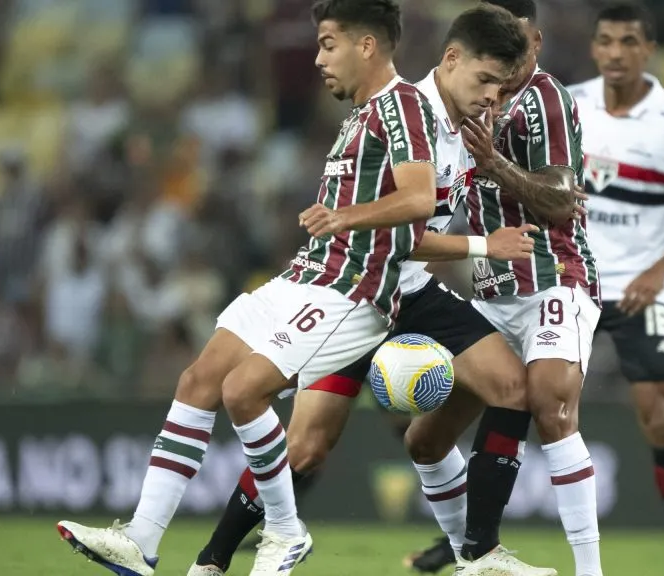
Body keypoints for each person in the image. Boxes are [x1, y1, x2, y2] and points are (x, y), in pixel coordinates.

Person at [56, 1, 443, 574]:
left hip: (351, 291)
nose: (317, 59)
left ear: (367, 45)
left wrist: (347, 217)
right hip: (305, 276)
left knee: (243, 391)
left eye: (328, 44)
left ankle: (285, 531)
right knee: (198, 380)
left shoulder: (404, 104)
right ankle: (141, 539)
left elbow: (421, 198)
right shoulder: (358, 116)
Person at [185, 5, 557, 576]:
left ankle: (480, 554)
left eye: (501, 87)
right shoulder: (413, 114)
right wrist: (488, 247)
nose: (492, 96)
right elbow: (402, 237)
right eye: (486, 81)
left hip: (416, 293)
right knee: (305, 447)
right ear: (451, 59)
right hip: (363, 292)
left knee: (511, 385)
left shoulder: (465, 130)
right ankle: (213, 558)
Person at [406, 1, 604, 574]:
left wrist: (494, 164)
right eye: (495, 52)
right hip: (492, 291)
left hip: (553, 276)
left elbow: (564, 200)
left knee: (550, 405)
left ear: (535, 43)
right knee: (425, 440)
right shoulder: (461, 104)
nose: (507, 61)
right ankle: (474, 555)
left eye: (516, 47)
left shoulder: (545, 98)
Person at [570, 3, 664, 575]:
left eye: (628, 42)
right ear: (593, 48)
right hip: (573, 279)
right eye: (606, 41)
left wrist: (663, 268)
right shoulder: (571, 104)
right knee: (513, 396)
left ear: (648, 50)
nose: (615, 52)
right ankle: (471, 540)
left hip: (641, 287)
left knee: (659, 415)